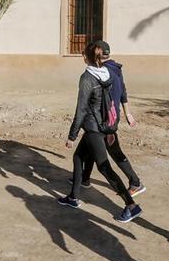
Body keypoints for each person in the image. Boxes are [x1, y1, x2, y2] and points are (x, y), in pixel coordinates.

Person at [57, 42, 143, 223]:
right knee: (78, 157)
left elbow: (81, 109)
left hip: (94, 128)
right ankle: (73, 197)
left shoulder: (87, 78)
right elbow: (114, 98)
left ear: (86, 57)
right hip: (105, 125)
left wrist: (72, 135)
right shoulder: (109, 73)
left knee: (104, 167)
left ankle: (131, 205)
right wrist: (112, 126)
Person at [74, 40, 145, 197]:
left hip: (104, 120)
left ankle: (135, 183)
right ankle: (84, 179)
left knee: (113, 152)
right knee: (93, 147)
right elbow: (123, 92)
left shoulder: (104, 72)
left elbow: (107, 98)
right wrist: (127, 113)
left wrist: (108, 124)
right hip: (110, 118)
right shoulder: (116, 69)